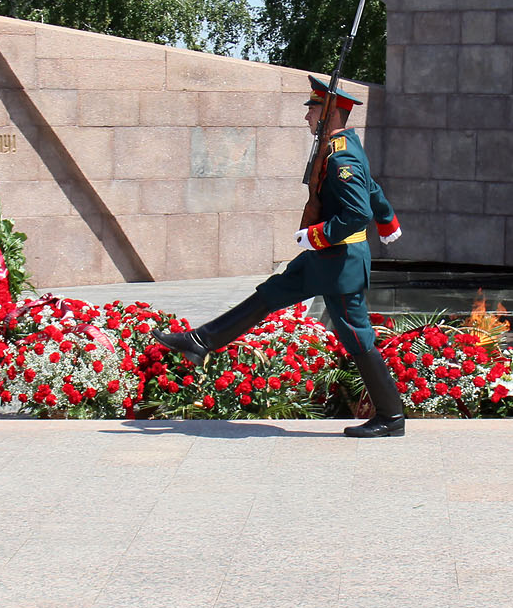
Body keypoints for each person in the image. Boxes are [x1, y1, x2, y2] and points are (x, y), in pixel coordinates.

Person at [153, 76, 406, 438]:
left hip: (340, 263)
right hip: (325, 260)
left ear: (331, 114)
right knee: (269, 294)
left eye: (313, 109)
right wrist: (388, 219)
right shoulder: (343, 146)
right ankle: (201, 341)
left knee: (357, 338)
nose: (307, 117)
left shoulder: (341, 157)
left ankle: (391, 418)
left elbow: (355, 212)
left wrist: (315, 235)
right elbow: (374, 189)